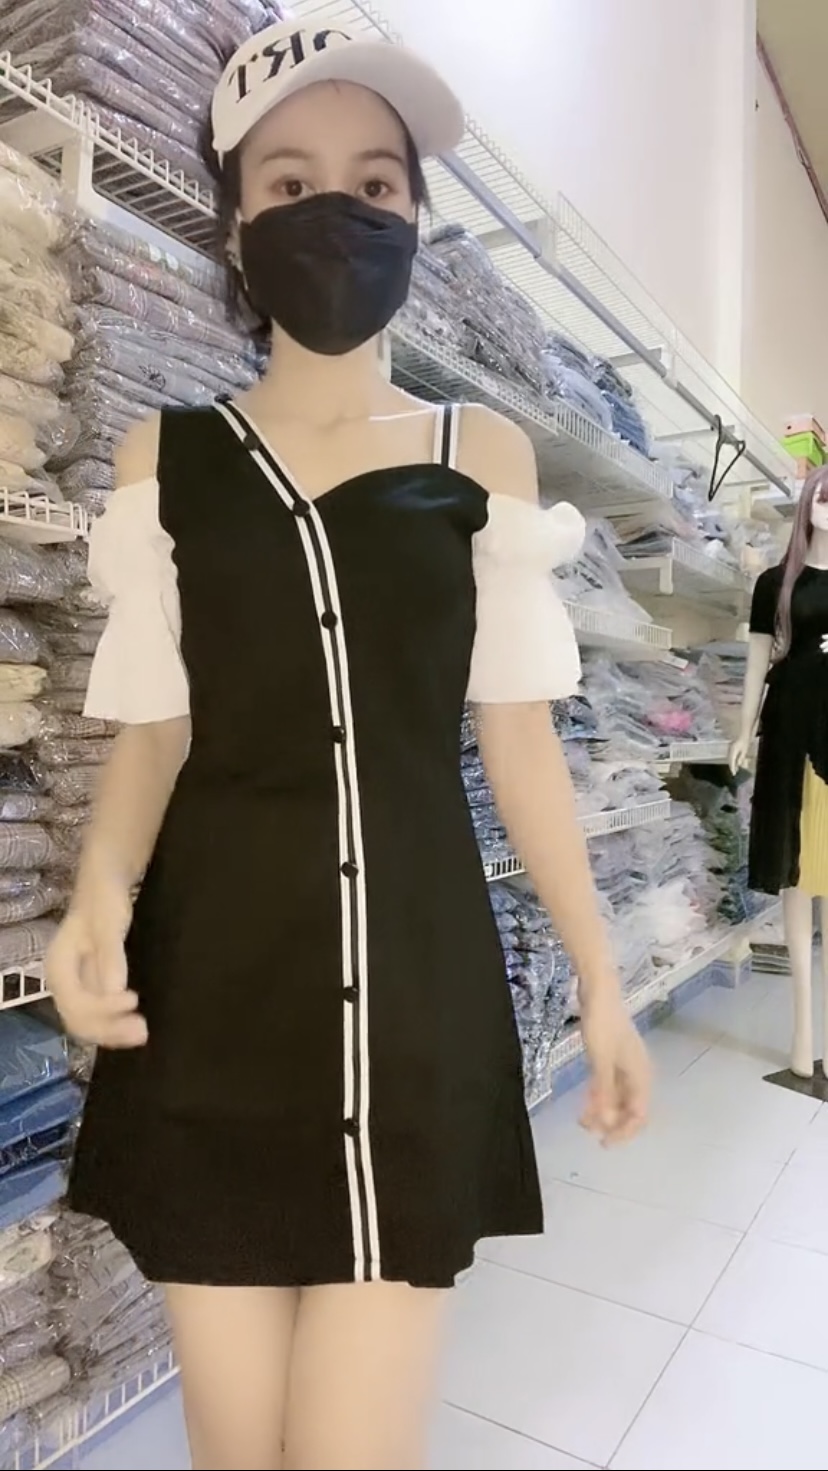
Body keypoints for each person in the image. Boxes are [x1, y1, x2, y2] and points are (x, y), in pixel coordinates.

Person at [46, 20, 650, 1471]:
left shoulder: (477, 456)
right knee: (235, 1446)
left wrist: (601, 977)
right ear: (235, 223)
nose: (338, 210)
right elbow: (157, 726)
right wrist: (97, 895)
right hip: (209, 994)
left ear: (418, 219)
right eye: (290, 181)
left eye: (376, 184)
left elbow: (518, 741)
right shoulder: (164, 461)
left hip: (413, 1000)